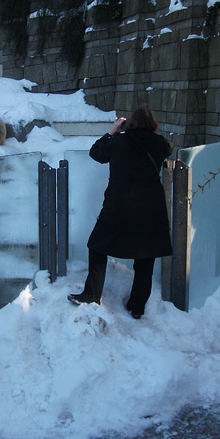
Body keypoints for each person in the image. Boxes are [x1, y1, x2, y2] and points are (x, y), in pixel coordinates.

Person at [68, 106, 173, 319]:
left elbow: (96, 153)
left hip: (119, 206)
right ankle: (137, 306)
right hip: (151, 208)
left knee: (97, 246)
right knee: (146, 255)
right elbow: (168, 148)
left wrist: (113, 131)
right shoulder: (160, 144)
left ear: (129, 124)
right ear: (153, 124)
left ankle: (92, 294)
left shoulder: (118, 142)